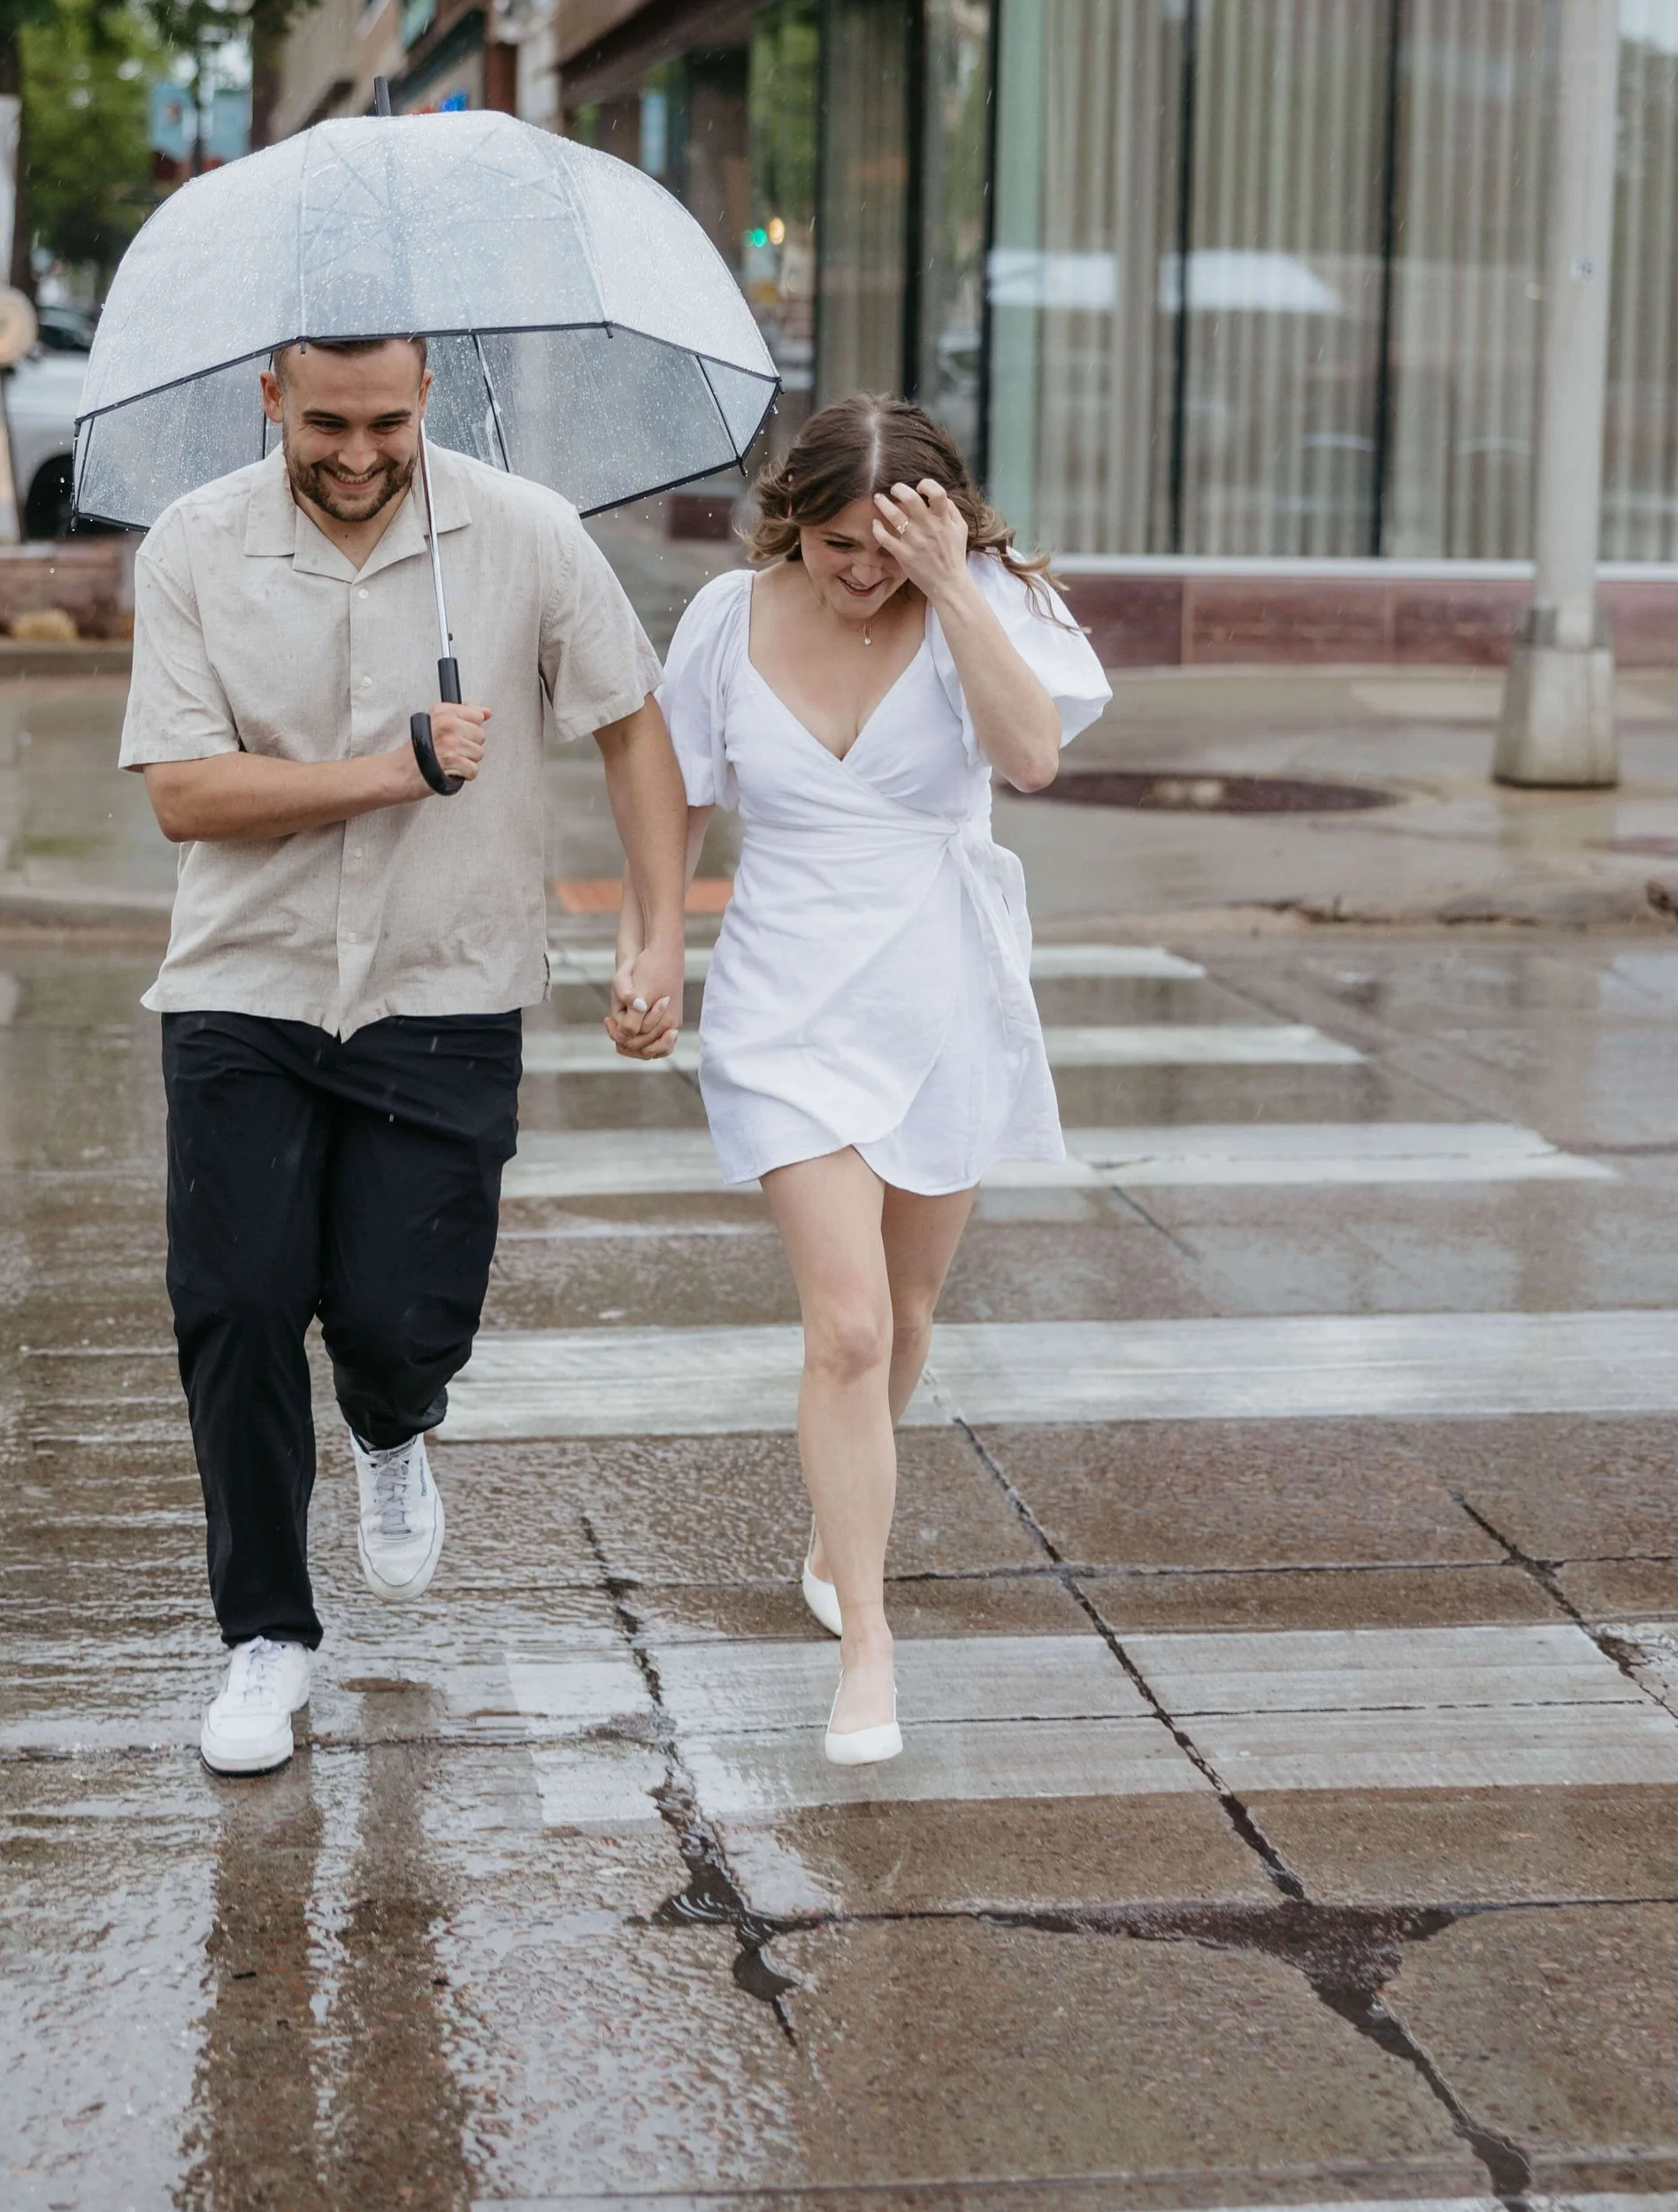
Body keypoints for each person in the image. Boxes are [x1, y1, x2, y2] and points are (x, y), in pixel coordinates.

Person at [122, 333, 687, 1776]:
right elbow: (184, 791)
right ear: (266, 396)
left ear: (428, 391)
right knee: (237, 1307)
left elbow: (632, 722)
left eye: (385, 419)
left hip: (448, 980)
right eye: (324, 422)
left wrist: (656, 932)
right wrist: (398, 765)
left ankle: (390, 1422)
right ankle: (266, 1636)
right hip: (247, 980)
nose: (358, 452)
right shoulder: (195, 546)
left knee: (395, 1318)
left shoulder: (523, 533)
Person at [634, 394, 1109, 1765]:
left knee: (904, 1312)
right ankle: (867, 1645)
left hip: (938, 987)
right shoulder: (727, 620)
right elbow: (673, 787)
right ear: (799, 520)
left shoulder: (983, 600)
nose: (864, 570)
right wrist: (655, 939)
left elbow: (1032, 757)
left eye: (890, 545)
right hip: (785, 997)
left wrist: (956, 583)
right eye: (841, 543)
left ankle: (843, 1527)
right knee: (843, 1325)